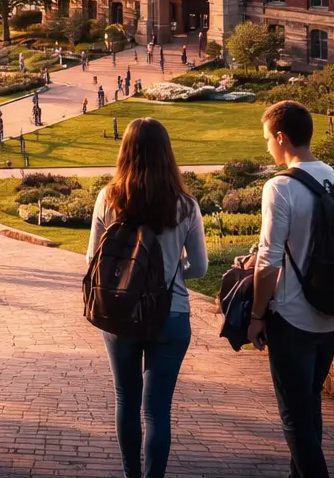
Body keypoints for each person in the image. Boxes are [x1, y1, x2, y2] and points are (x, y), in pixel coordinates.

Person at [86, 117, 207, 478]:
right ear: (167, 154)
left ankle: (131, 474)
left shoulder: (109, 198)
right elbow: (199, 268)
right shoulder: (185, 205)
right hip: (171, 313)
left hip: (120, 312)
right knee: (157, 410)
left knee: (126, 398)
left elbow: (93, 258)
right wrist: (169, 270)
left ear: (126, 152)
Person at [248, 100, 334, 478]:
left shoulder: (280, 187)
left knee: (294, 417)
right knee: (309, 403)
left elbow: (268, 262)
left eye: (268, 140)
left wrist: (257, 315)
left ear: (282, 138)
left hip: (293, 316)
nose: (267, 147)